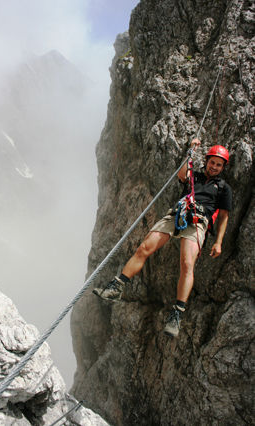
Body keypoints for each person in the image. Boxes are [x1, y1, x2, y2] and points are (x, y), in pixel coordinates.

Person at [93, 139, 232, 337]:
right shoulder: (196, 176)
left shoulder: (224, 188)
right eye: (212, 162)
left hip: (198, 221)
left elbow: (224, 216)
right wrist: (191, 151)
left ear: (223, 167)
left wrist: (218, 242)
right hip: (177, 214)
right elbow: (182, 175)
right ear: (207, 161)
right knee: (144, 248)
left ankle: (176, 315)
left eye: (219, 164)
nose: (215, 167)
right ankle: (117, 287)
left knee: (187, 264)